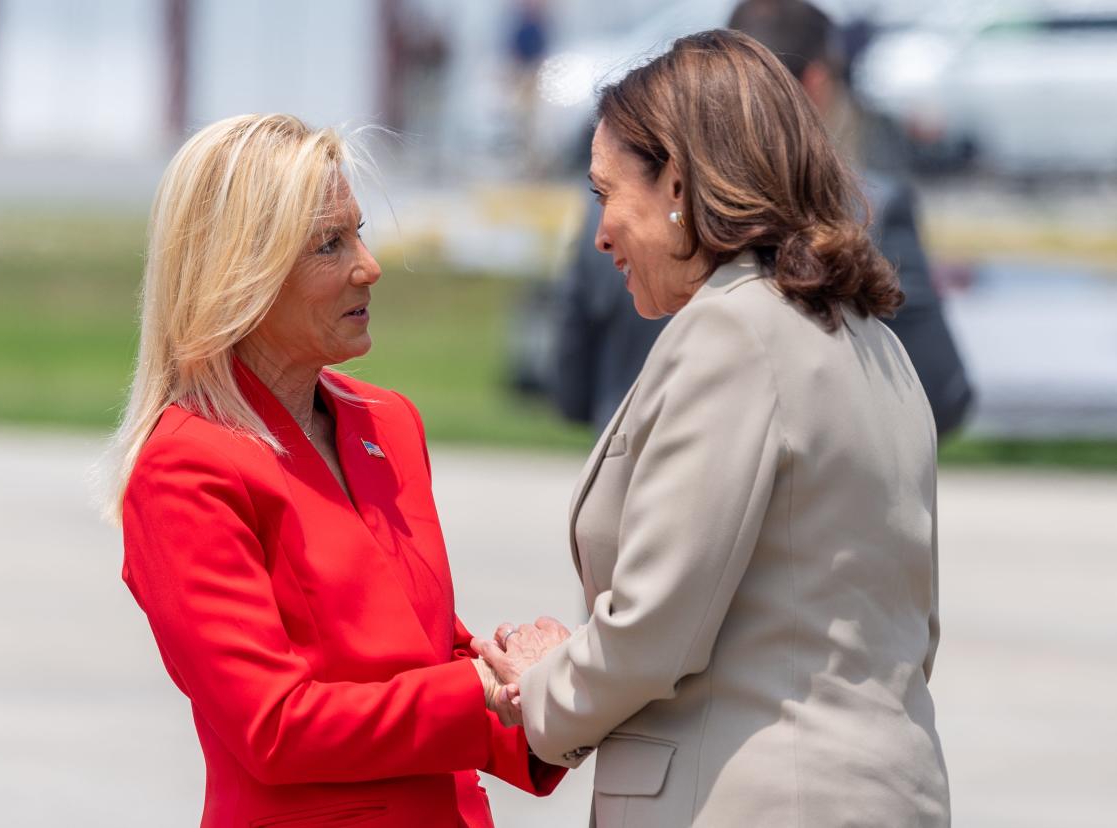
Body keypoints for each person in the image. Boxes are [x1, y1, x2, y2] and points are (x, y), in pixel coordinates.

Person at [476, 31, 950, 826]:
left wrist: (539, 684)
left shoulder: (733, 334)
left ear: (679, 185)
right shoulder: (872, 342)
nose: (598, 237)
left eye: (605, 193)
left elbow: (658, 628)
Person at [104, 114, 562, 828]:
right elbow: (274, 727)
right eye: (330, 244)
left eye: (359, 232)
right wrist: (482, 688)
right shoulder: (185, 466)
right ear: (241, 274)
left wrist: (545, 690)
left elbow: (424, 651)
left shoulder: (387, 422)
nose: (369, 265)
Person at [553, 0, 972, 437]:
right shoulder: (868, 208)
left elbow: (571, 387)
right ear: (817, 84)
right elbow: (940, 393)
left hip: (631, 478)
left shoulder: (618, 199)